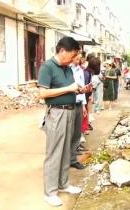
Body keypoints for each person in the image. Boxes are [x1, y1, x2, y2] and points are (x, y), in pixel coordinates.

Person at [38, 37, 82, 207]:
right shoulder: (47, 67)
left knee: (66, 150)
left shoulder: (67, 68)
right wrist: (68, 89)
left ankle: (64, 184)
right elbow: (43, 93)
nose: (73, 60)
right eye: (72, 55)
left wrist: (77, 89)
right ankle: (49, 192)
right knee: (54, 152)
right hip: (56, 114)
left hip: (70, 111)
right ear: (62, 50)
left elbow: (69, 88)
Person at [70, 50, 89, 170]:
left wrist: (83, 105)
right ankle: (65, 160)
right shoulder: (66, 70)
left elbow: (81, 87)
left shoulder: (80, 70)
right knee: (68, 134)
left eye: (80, 58)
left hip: (78, 103)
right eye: (78, 58)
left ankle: (72, 160)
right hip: (68, 104)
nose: (80, 60)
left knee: (77, 134)